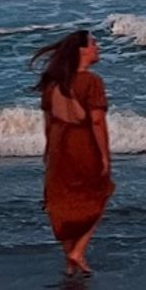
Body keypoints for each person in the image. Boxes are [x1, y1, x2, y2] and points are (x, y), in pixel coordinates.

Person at [32, 27, 113, 274]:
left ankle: (70, 258)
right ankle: (78, 251)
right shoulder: (91, 82)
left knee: (60, 200)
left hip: (58, 144)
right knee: (100, 192)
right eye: (93, 44)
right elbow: (97, 122)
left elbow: (48, 123)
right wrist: (104, 155)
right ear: (82, 51)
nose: (97, 48)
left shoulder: (52, 84)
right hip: (82, 143)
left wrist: (49, 150)